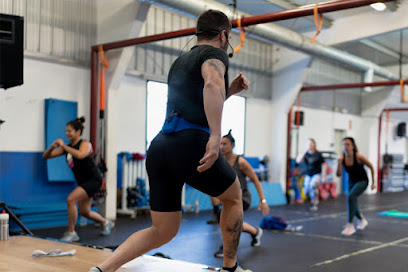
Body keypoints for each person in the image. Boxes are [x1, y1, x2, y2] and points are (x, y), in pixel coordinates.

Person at [89, 10, 251, 272]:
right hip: (190, 143)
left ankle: (101, 269)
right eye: (228, 38)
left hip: (161, 146)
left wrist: (230, 91)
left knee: (162, 230)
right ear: (223, 35)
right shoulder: (216, 54)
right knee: (233, 198)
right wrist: (215, 136)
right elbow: (211, 86)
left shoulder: (180, 61)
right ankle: (230, 268)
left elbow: (195, 101)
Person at [42, 117, 114, 242]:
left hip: (94, 180)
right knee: (85, 212)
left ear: (78, 131)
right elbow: (46, 156)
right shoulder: (67, 148)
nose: (67, 133)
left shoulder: (85, 144)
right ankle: (106, 222)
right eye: (66, 131)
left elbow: (80, 155)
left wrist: (63, 146)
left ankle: (71, 233)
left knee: (71, 199)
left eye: (70, 131)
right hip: (83, 182)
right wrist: (52, 146)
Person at [212, 131, 270, 258]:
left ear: (232, 145)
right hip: (228, 198)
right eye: (220, 144)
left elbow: (255, 180)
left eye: (225, 144)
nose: (222, 147)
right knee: (233, 223)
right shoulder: (219, 161)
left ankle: (226, 249)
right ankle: (255, 232)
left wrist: (263, 200)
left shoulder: (241, 162)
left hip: (242, 198)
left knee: (229, 221)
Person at [336, 137, 376, 236]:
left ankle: (350, 225)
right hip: (351, 182)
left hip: (362, 181)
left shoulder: (358, 156)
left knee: (351, 197)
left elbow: (371, 166)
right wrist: (339, 163)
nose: (345, 147)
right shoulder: (342, 158)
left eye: (348, 144)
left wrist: (373, 182)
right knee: (352, 201)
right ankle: (362, 220)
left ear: (353, 146)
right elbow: (338, 174)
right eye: (344, 144)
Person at [296, 139, 327, 211]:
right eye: (308, 144)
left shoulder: (318, 154)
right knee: (306, 188)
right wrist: (304, 152)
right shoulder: (306, 154)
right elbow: (298, 161)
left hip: (316, 174)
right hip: (308, 174)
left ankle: (314, 202)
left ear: (314, 145)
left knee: (312, 186)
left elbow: (324, 164)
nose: (309, 145)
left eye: (311, 144)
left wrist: (324, 177)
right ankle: (310, 200)